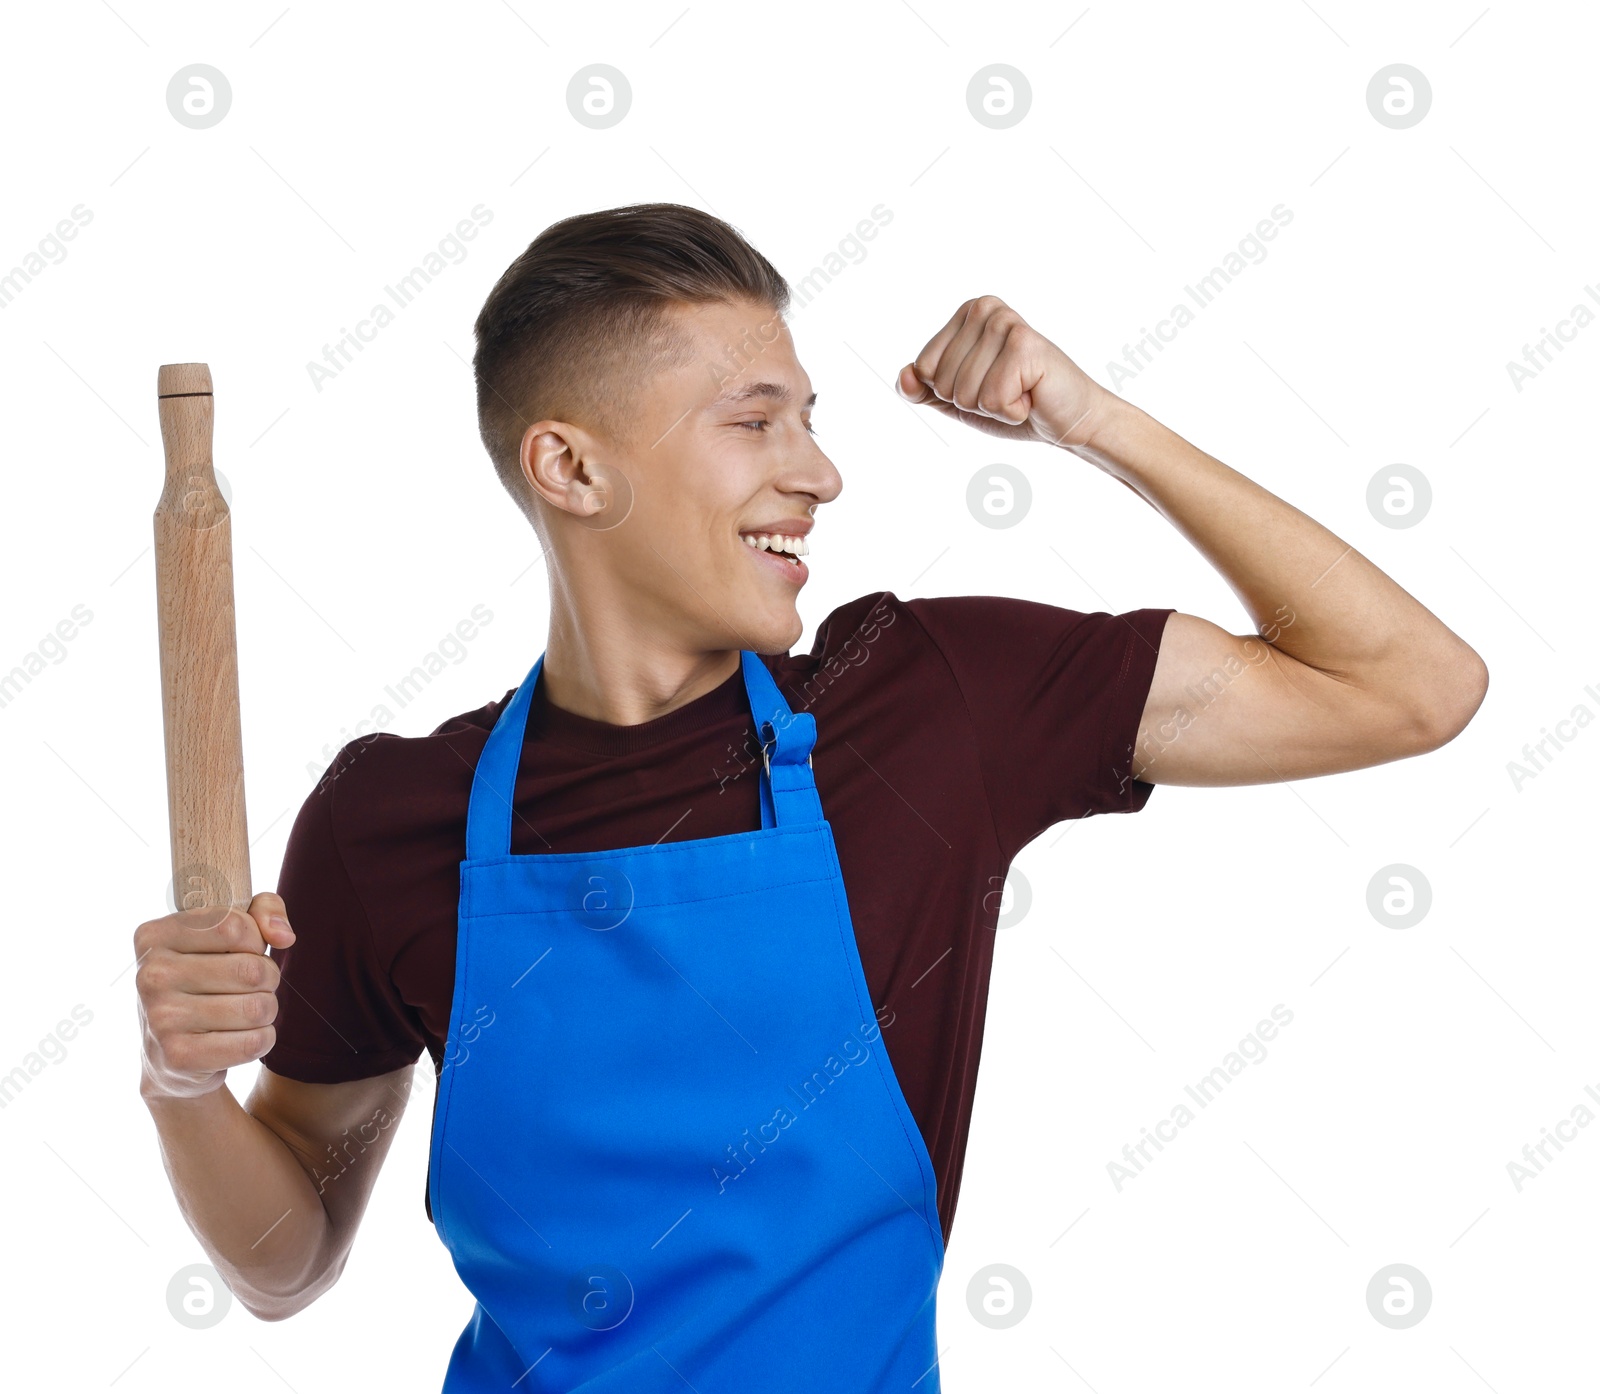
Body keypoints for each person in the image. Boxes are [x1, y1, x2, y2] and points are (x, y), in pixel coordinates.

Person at [134, 203, 1487, 1390]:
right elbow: (287, 1258)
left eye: (811, 419)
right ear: (573, 468)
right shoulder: (391, 822)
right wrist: (183, 1083)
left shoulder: (926, 701)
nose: (819, 471)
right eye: (755, 420)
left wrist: (1095, 420)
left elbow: (1409, 686)